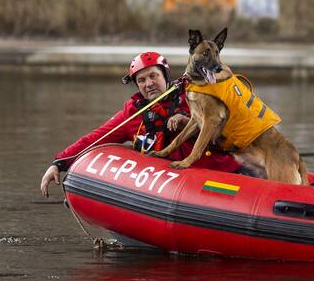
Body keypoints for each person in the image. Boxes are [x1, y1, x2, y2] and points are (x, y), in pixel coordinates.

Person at [40, 51, 243, 197]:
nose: (149, 84)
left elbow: (222, 118)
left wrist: (186, 121)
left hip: (222, 171)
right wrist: (59, 163)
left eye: (153, 76)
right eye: (142, 80)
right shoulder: (133, 114)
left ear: (165, 76)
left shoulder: (193, 94)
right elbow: (96, 137)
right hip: (176, 187)